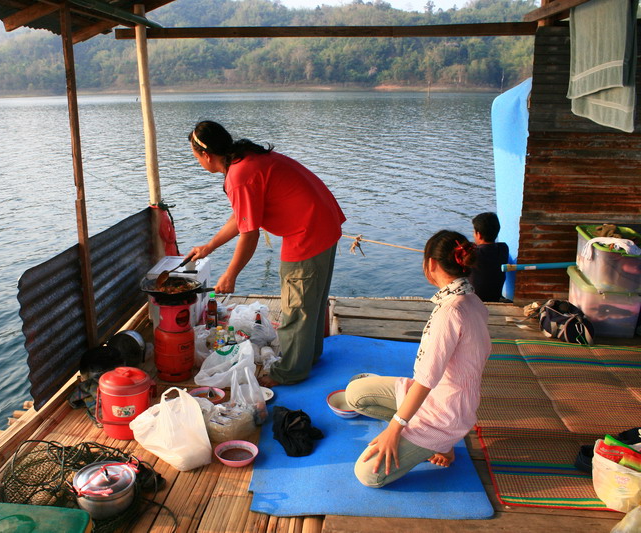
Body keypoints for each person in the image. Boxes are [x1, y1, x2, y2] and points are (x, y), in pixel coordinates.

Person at [185, 120, 346, 386]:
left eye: (195, 158)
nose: (198, 162)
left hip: (307, 232)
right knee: (312, 301)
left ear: (206, 155)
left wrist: (230, 274)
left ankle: (290, 373)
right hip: (323, 222)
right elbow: (242, 217)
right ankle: (308, 356)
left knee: (297, 307)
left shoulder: (238, 175)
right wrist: (210, 246)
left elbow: (250, 234)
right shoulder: (245, 159)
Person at [345, 230, 491, 488]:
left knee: (367, 475)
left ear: (431, 264)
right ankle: (423, 437)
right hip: (438, 397)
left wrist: (393, 429)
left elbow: (425, 381)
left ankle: (442, 444)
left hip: (443, 414)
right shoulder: (471, 298)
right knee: (355, 393)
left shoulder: (451, 311)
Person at [470, 212, 509, 302]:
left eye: (474, 232)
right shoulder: (503, 249)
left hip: (475, 301)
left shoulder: (473, 254)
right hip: (494, 297)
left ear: (478, 234)